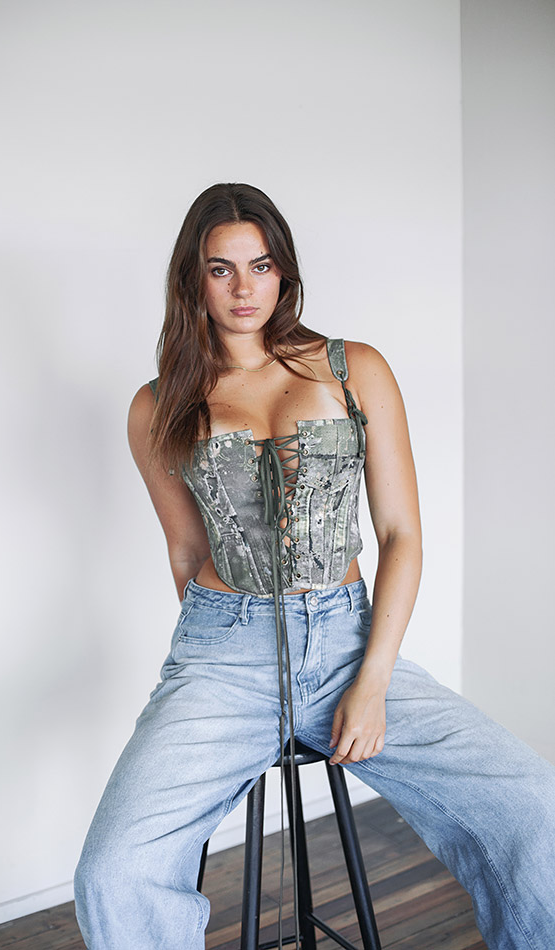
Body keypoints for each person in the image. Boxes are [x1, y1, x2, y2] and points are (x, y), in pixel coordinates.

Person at [73, 182, 555, 950]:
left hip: (348, 642)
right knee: (112, 871)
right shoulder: (158, 404)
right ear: (190, 279)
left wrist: (368, 685)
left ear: (284, 273)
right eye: (220, 269)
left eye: (260, 266)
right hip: (220, 654)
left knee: (533, 807)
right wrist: (221, 660)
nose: (243, 288)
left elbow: (400, 534)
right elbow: (187, 551)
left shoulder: (351, 367)